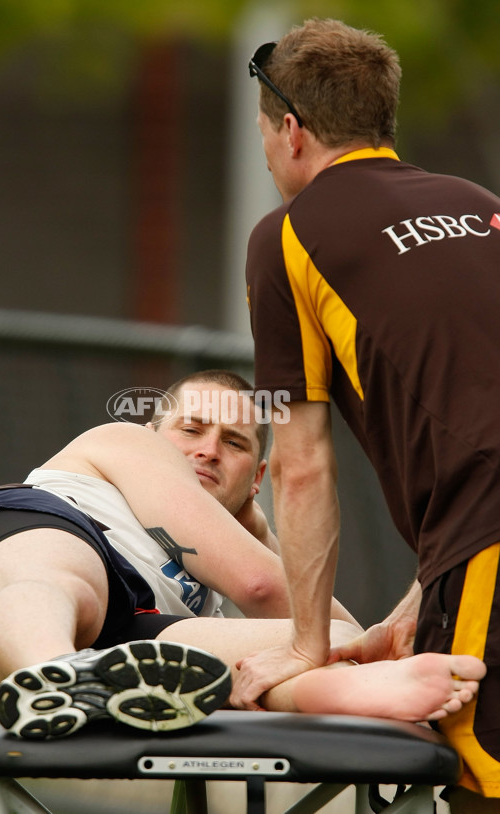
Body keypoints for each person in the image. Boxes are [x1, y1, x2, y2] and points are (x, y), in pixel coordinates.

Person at [0, 370, 484, 743]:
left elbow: (302, 633)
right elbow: (266, 589)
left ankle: (358, 693)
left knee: (248, 661)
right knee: (62, 579)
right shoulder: (122, 443)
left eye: (234, 444)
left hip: (127, 640)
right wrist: (363, 643)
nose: (208, 450)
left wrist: (351, 658)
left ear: (257, 478)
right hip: (30, 546)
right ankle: (48, 671)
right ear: (152, 431)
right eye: (192, 429)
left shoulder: (204, 581)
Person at [240, 17, 500, 811]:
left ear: (291, 130)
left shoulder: (288, 238)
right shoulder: (480, 204)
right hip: (476, 540)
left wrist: (305, 646)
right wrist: (427, 595)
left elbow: (301, 462)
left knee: (479, 777)